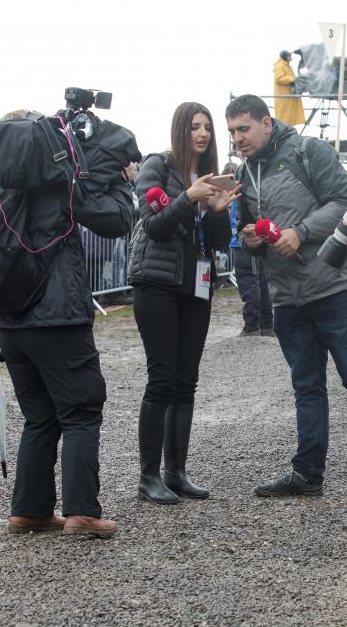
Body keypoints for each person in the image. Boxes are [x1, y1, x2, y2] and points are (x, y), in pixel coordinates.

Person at [227, 94, 347, 497]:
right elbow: (248, 226)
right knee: (306, 386)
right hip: (287, 298)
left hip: (334, 288)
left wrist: (302, 232)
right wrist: (251, 238)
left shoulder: (310, 151)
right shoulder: (245, 172)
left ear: (267, 122)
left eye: (244, 128)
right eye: (233, 132)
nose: (237, 138)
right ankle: (308, 473)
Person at [0, 105, 135, 536]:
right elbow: (114, 221)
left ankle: (29, 509)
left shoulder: (3, 187)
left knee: (40, 416)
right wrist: (120, 183)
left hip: (12, 320)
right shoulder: (60, 184)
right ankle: (82, 512)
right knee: (81, 411)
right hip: (57, 317)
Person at [128, 102, 236, 504]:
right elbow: (153, 224)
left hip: (197, 284)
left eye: (207, 127)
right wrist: (189, 197)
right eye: (195, 126)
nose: (203, 134)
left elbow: (220, 242)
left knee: (186, 379)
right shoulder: (158, 166)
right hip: (156, 282)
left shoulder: (206, 174)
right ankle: (148, 476)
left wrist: (217, 212)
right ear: (181, 130)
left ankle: (176, 472)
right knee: (162, 378)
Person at [227, 157, 274, 337]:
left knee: (250, 282)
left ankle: (253, 324)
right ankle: (265, 324)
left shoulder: (243, 193)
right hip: (247, 240)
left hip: (244, 242)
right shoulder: (251, 191)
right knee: (259, 281)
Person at [273, 50, 306, 127]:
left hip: (289, 98)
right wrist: (293, 78)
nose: (290, 59)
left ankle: (288, 133)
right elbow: (279, 79)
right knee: (284, 119)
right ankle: (284, 134)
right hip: (284, 99)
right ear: (285, 57)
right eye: (289, 57)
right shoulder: (280, 66)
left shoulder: (286, 66)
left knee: (290, 119)